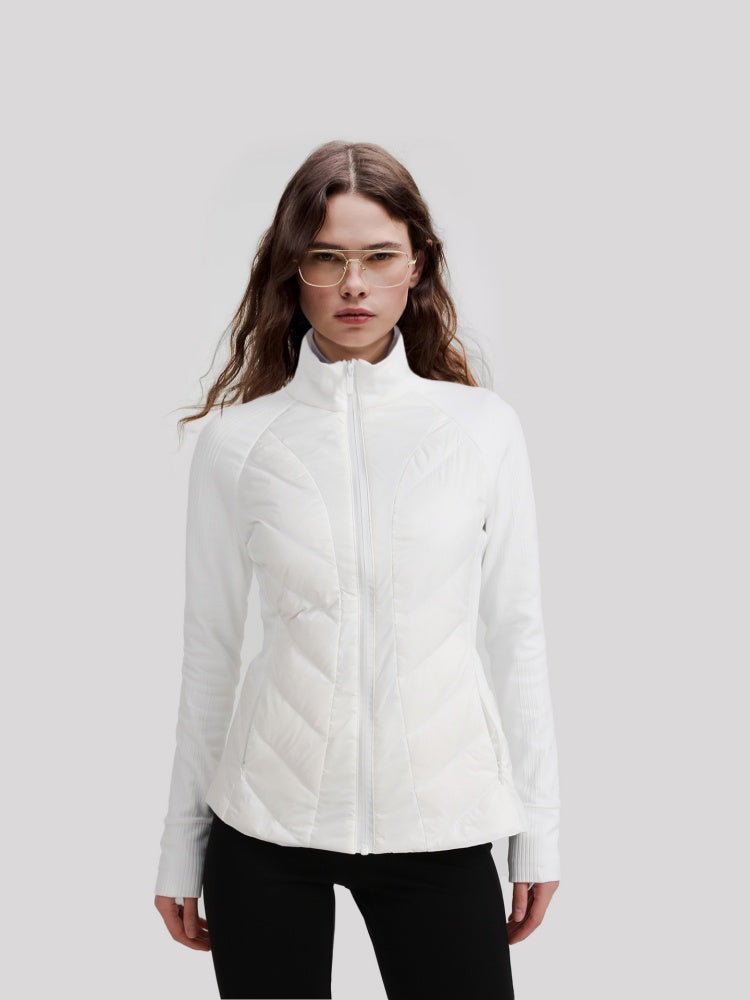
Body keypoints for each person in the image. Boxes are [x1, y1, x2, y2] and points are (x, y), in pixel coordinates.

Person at [153, 139, 561, 1000]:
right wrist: (181, 848)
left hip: (439, 823)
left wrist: (539, 833)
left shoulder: (482, 430)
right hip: (264, 829)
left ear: (417, 264)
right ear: (291, 270)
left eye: (378, 257)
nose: (353, 285)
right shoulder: (237, 443)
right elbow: (210, 650)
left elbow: (515, 636)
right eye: (326, 258)